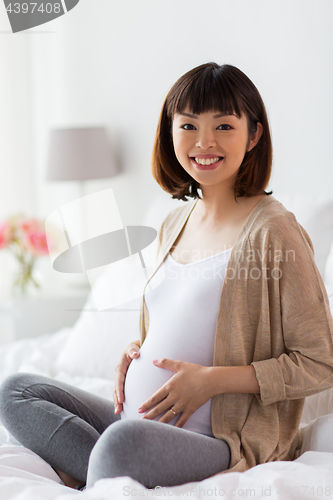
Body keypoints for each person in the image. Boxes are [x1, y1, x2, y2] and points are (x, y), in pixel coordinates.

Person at [1, 62, 333, 490]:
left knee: (119, 445)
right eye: (189, 125)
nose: (204, 142)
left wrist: (212, 381)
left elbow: (320, 362)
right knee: (16, 391)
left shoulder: (275, 230)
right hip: (134, 419)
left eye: (224, 126)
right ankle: (105, 466)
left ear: (254, 135)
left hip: (214, 437)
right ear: (170, 131)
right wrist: (137, 349)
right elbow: (174, 323)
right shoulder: (174, 222)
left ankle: (102, 466)